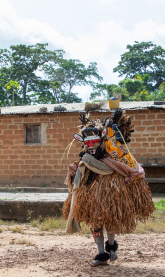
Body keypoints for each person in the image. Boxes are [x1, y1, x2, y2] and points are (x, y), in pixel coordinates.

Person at [63, 110, 155, 266]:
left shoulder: (115, 162)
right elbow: (77, 180)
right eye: (88, 143)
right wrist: (74, 172)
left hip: (111, 197)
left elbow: (129, 173)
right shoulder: (85, 162)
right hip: (92, 198)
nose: (91, 146)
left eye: (94, 142)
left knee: (110, 221)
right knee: (96, 223)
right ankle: (100, 253)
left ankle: (111, 247)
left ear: (103, 139)